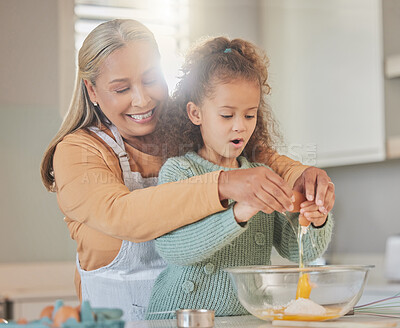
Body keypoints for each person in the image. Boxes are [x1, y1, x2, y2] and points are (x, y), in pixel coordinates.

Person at [40, 19, 335, 321]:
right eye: (121, 88)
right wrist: (223, 186)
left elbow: (263, 160)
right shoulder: (78, 151)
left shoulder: (192, 129)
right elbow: (123, 214)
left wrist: (306, 179)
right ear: (92, 90)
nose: (142, 99)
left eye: (151, 79)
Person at [146, 37, 333, 319]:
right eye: (226, 115)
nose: (239, 126)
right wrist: (239, 212)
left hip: (245, 318)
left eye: (249, 115)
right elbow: (174, 249)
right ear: (195, 113)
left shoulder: (263, 174)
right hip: (180, 317)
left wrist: (316, 220)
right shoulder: (179, 171)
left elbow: (297, 252)